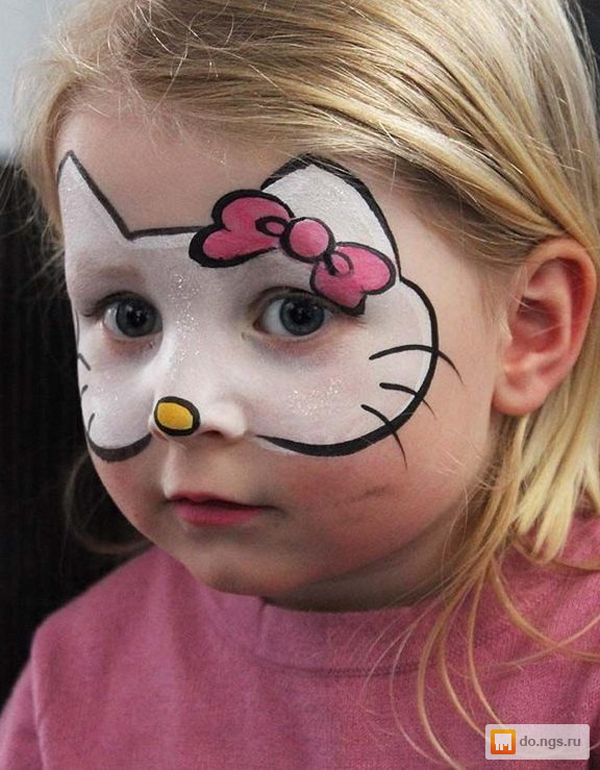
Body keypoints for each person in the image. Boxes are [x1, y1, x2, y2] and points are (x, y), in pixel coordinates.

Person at [2, 0, 600, 766]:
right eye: (129, 314)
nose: (179, 406)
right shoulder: (72, 690)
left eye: (295, 313)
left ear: (528, 327)